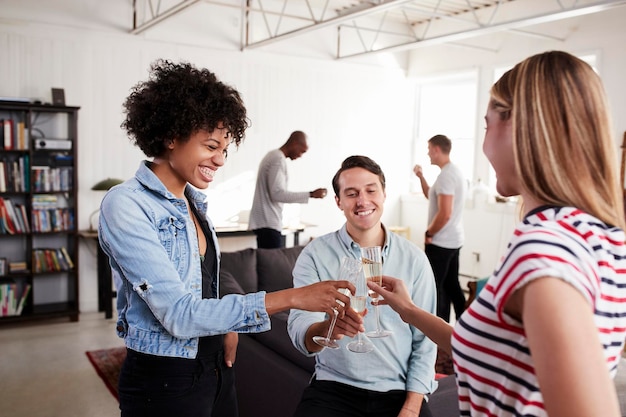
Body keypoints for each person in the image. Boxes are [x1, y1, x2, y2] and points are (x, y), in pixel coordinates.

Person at [368, 50, 626, 417]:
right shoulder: (599, 235)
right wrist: (408, 309)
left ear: (522, 128)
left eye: (487, 125)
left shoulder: (545, 247)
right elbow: (491, 351)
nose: (485, 144)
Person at [97, 60, 354, 417]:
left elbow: (205, 284)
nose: (219, 160)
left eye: (225, 150)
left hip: (218, 368)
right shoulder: (125, 204)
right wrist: (294, 297)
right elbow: (178, 314)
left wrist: (227, 327)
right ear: (171, 136)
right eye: (210, 146)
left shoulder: (195, 204)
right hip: (165, 381)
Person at [288, 155, 438, 417]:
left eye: (371, 190)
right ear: (339, 202)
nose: (362, 201)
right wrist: (328, 329)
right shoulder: (314, 255)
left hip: (398, 390)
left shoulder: (414, 259)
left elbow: (425, 342)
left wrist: (412, 406)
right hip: (334, 387)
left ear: (384, 194)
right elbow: (300, 327)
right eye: (352, 193)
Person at [413, 134, 466, 322]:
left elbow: (445, 213)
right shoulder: (452, 172)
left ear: (436, 149)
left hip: (442, 242)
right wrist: (420, 177)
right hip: (454, 240)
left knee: (437, 289)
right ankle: (463, 326)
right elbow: (431, 196)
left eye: (429, 149)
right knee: (452, 285)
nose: (428, 153)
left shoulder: (446, 176)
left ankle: (439, 335)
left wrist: (429, 233)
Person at [249, 130, 328, 248]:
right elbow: (277, 194)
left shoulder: (273, 155)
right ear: (295, 143)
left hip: (265, 223)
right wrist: (311, 194)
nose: (301, 155)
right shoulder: (277, 159)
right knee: (273, 266)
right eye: (302, 151)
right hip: (269, 224)